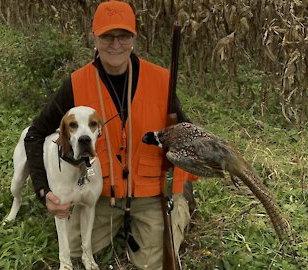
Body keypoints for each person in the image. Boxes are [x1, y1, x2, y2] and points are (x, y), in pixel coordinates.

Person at [24, 1, 198, 269]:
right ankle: (120, 225)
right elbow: (35, 135)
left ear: (134, 39)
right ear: (93, 37)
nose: (115, 44)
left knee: (155, 263)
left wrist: (178, 188)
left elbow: (184, 135)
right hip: (101, 192)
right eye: (107, 36)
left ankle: (182, 206)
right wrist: (42, 191)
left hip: (149, 192)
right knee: (71, 250)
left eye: (123, 36)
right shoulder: (76, 83)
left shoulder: (162, 80)